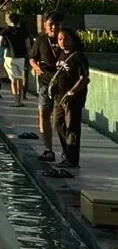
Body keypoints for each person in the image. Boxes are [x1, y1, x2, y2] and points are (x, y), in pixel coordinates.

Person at [48, 28, 90, 178]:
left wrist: (72, 92)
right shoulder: (61, 55)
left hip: (73, 98)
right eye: (60, 39)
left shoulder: (78, 56)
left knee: (72, 126)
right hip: (59, 97)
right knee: (58, 123)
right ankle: (67, 152)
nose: (62, 42)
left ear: (73, 40)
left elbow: (84, 78)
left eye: (66, 39)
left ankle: (72, 159)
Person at [30, 15, 61, 161]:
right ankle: (48, 149)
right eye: (50, 24)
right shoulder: (41, 39)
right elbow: (32, 57)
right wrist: (36, 66)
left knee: (60, 119)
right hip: (45, 82)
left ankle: (68, 151)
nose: (53, 27)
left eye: (56, 24)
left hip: (62, 85)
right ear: (45, 25)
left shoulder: (64, 38)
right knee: (44, 114)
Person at [5, 21, 29, 107]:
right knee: (20, 79)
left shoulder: (6, 31)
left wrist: (7, 46)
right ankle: (20, 100)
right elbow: (28, 45)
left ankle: (16, 101)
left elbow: (0, 43)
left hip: (10, 57)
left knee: (13, 80)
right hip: (21, 57)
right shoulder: (23, 31)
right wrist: (29, 56)